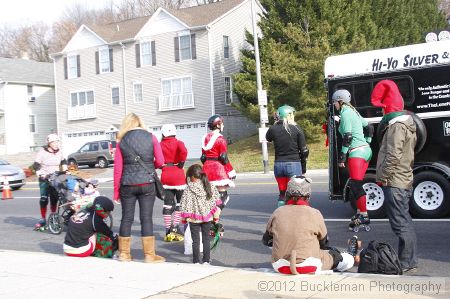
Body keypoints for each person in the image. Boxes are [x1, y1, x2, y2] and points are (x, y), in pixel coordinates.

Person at [262, 176, 355, 274]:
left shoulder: (277, 212)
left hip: (280, 266)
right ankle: (348, 257)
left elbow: (266, 241)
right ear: (308, 195)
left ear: (287, 194)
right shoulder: (315, 213)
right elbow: (324, 244)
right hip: (309, 265)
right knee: (345, 259)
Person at [371, 80, 418, 273]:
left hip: (396, 181)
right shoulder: (407, 124)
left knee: (400, 224)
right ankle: (408, 259)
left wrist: (382, 175)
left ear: (388, 109)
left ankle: (407, 262)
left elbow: (393, 155)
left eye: (383, 109)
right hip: (402, 179)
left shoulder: (397, 127)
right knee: (404, 221)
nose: (381, 112)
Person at [113, 113, 165, 263]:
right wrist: (149, 167)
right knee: (146, 218)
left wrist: (116, 192)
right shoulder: (151, 137)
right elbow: (160, 161)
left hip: (127, 184)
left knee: (126, 218)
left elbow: (118, 169)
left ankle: (124, 254)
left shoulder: (121, 142)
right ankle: (149, 255)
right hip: (147, 183)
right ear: (140, 123)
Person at [332, 90, 374, 231]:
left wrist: (342, 156)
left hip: (356, 152)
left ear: (340, 101)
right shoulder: (354, 111)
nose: (334, 105)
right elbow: (369, 127)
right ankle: (360, 213)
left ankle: (363, 216)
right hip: (366, 151)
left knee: (355, 185)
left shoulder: (345, 113)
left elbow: (348, 137)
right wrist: (367, 142)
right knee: (357, 183)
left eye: (335, 102)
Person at [266, 105, 308, 207]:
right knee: (296, 193)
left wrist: (276, 123)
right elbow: (304, 151)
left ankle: (281, 212)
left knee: (282, 193)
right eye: (292, 114)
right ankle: (293, 215)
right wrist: (303, 167)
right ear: (289, 115)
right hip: (293, 164)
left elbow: (268, 138)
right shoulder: (297, 129)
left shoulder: (273, 129)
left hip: (279, 165)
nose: (294, 116)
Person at [180, 164, 221, 264]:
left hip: (194, 219)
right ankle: (206, 260)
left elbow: (184, 204)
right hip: (207, 217)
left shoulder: (188, 189)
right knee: (206, 239)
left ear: (192, 177)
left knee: (195, 241)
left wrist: (184, 218)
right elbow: (216, 201)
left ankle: (196, 261)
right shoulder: (209, 185)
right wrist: (215, 216)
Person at [33, 133, 68, 230]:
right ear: (50, 143)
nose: (57, 144)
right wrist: (41, 174)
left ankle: (53, 217)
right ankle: (43, 219)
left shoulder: (59, 152)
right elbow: (36, 165)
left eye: (58, 142)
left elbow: (63, 161)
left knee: (54, 199)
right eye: (55, 142)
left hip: (55, 178)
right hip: (45, 179)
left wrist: (65, 169)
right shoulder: (42, 152)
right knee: (44, 199)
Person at [160, 124, 188, 242]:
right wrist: (181, 162)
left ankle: (167, 230)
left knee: (167, 204)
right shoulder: (179, 143)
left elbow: (157, 160)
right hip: (178, 174)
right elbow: (184, 152)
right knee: (179, 203)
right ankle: (175, 227)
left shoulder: (160, 144)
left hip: (166, 174)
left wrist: (163, 167)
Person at [201, 115, 236, 211]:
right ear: (218, 125)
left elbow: (203, 157)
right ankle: (215, 218)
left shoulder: (204, 138)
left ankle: (210, 219)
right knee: (223, 196)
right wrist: (231, 171)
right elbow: (223, 158)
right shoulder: (221, 139)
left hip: (206, 169)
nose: (223, 125)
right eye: (222, 123)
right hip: (218, 169)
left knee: (210, 197)